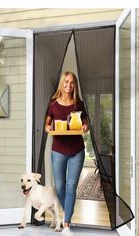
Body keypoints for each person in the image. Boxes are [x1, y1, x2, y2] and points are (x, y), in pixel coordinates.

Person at [45, 71, 89, 236]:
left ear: (75, 85)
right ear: (62, 84)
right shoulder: (53, 104)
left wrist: (85, 127)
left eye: (72, 83)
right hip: (58, 152)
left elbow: (86, 125)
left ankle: (67, 223)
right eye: (66, 82)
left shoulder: (79, 104)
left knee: (71, 187)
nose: (69, 85)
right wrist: (49, 128)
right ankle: (67, 212)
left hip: (77, 151)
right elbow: (47, 124)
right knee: (60, 187)